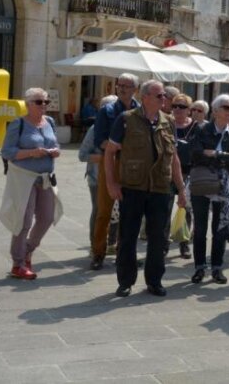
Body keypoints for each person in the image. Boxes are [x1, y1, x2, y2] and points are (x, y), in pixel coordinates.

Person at [103, 80, 186, 297]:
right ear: (145, 97)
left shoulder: (168, 122)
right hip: (132, 187)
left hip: (160, 187)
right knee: (128, 236)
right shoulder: (127, 119)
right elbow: (110, 152)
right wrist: (111, 183)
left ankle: (154, 281)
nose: (164, 100)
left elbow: (174, 158)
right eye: (159, 96)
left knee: (158, 237)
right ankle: (125, 281)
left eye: (164, 96)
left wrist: (181, 189)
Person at [0, 87, 63, 280]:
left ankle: (27, 250)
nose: (43, 105)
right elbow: (7, 152)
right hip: (24, 177)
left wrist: (56, 151)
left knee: (47, 217)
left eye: (46, 102)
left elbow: (56, 143)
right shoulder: (18, 124)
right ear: (27, 104)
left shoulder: (50, 122)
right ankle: (18, 264)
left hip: (46, 177)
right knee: (24, 221)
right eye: (39, 102)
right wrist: (31, 153)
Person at [187, 94, 229, 285]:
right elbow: (194, 153)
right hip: (202, 182)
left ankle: (217, 268)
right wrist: (221, 159)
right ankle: (200, 267)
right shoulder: (202, 130)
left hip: (223, 186)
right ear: (216, 110)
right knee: (200, 228)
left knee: (220, 228)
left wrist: (216, 154)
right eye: (227, 107)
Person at [90, 73, 139, 270]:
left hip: (134, 166)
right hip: (110, 162)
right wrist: (119, 147)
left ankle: (124, 252)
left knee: (130, 212)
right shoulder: (107, 111)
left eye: (126, 86)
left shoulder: (140, 110)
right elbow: (99, 141)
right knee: (104, 211)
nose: (122, 88)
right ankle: (98, 252)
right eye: (119, 85)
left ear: (135, 88)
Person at [77, 95, 116, 244]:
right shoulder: (94, 129)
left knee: (117, 212)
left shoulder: (123, 127)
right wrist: (105, 157)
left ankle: (112, 242)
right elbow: (82, 155)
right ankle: (96, 244)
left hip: (118, 177)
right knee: (100, 211)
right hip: (97, 178)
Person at [171, 93, 195, 259]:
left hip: (187, 172)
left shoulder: (196, 127)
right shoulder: (166, 124)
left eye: (182, 106)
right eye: (175, 106)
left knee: (185, 208)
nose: (178, 110)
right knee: (164, 209)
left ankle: (184, 243)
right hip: (167, 172)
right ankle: (162, 244)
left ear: (189, 110)